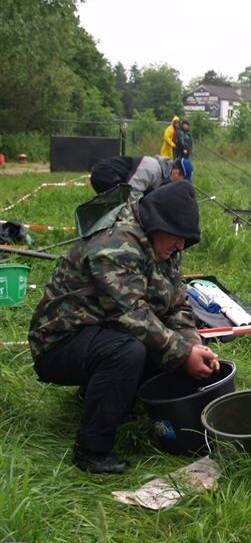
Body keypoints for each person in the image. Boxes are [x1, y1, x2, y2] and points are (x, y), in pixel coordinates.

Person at [28, 181, 219, 474]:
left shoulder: (162, 245)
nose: (181, 246)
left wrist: (192, 344)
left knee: (165, 351)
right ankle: (91, 449)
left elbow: (176, 305)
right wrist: (182, 353)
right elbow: (128, 314)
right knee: (128, 352)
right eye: (178, 238)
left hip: (100, 333)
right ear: (158, 223)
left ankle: (105, 395)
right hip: (59, 344)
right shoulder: (116, 243)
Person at [90, 155, 176, 198]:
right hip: (106, 173)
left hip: (105, 173)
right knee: (120, 202)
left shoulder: (158, 173)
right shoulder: (152, 167)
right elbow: (132, 191)